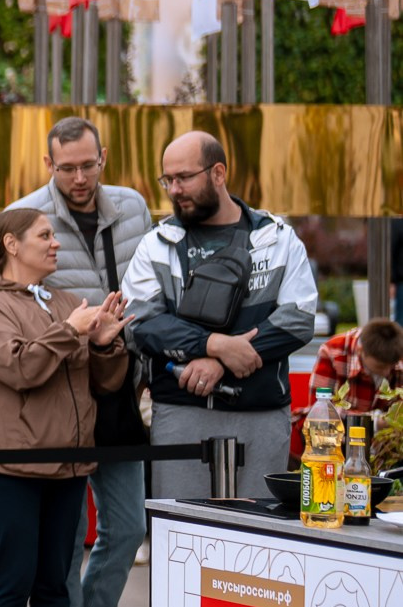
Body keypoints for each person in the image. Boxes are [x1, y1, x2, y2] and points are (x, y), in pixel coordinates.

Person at [6, 116, 156, 607]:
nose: (78, 177)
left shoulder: (134, 207)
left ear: (103, 158)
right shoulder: (26, 216)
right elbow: (10, 302)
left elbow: (154, 284)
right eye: (66, 167)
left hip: (117, 386)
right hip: (59, 396)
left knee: (128, 527)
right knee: (65, 541)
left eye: (87, 165)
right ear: (48, 164)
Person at [0, 207, 129, 607]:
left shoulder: (64, 301)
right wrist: (72, 331)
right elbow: (20, 368)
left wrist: (103, 345)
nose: (55, 243)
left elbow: (104, 384)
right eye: (45, 235)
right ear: (11, 245)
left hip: (68, 464)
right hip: (10, 465)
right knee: (13, 583)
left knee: (55, 586)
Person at [125, 130, 320, 503]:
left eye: (184, 177)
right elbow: (142, 322)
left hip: (260, 410)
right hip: (181, 410)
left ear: (218, 173)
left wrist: (220, 364)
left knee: (262, 543)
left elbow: (298, 319)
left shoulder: (277, 238)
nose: (174, 189)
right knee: (181, 541)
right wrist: (213, 345)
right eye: (168, 179)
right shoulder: (157, 243)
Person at [297, 317, 402, 459]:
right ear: (361, 351)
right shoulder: (333, 352)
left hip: (383, 447)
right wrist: (373, 422)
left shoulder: (396, 354)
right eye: (380, 367)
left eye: (391, 366)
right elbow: (318, 411)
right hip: (338, 441)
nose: (386, 372)